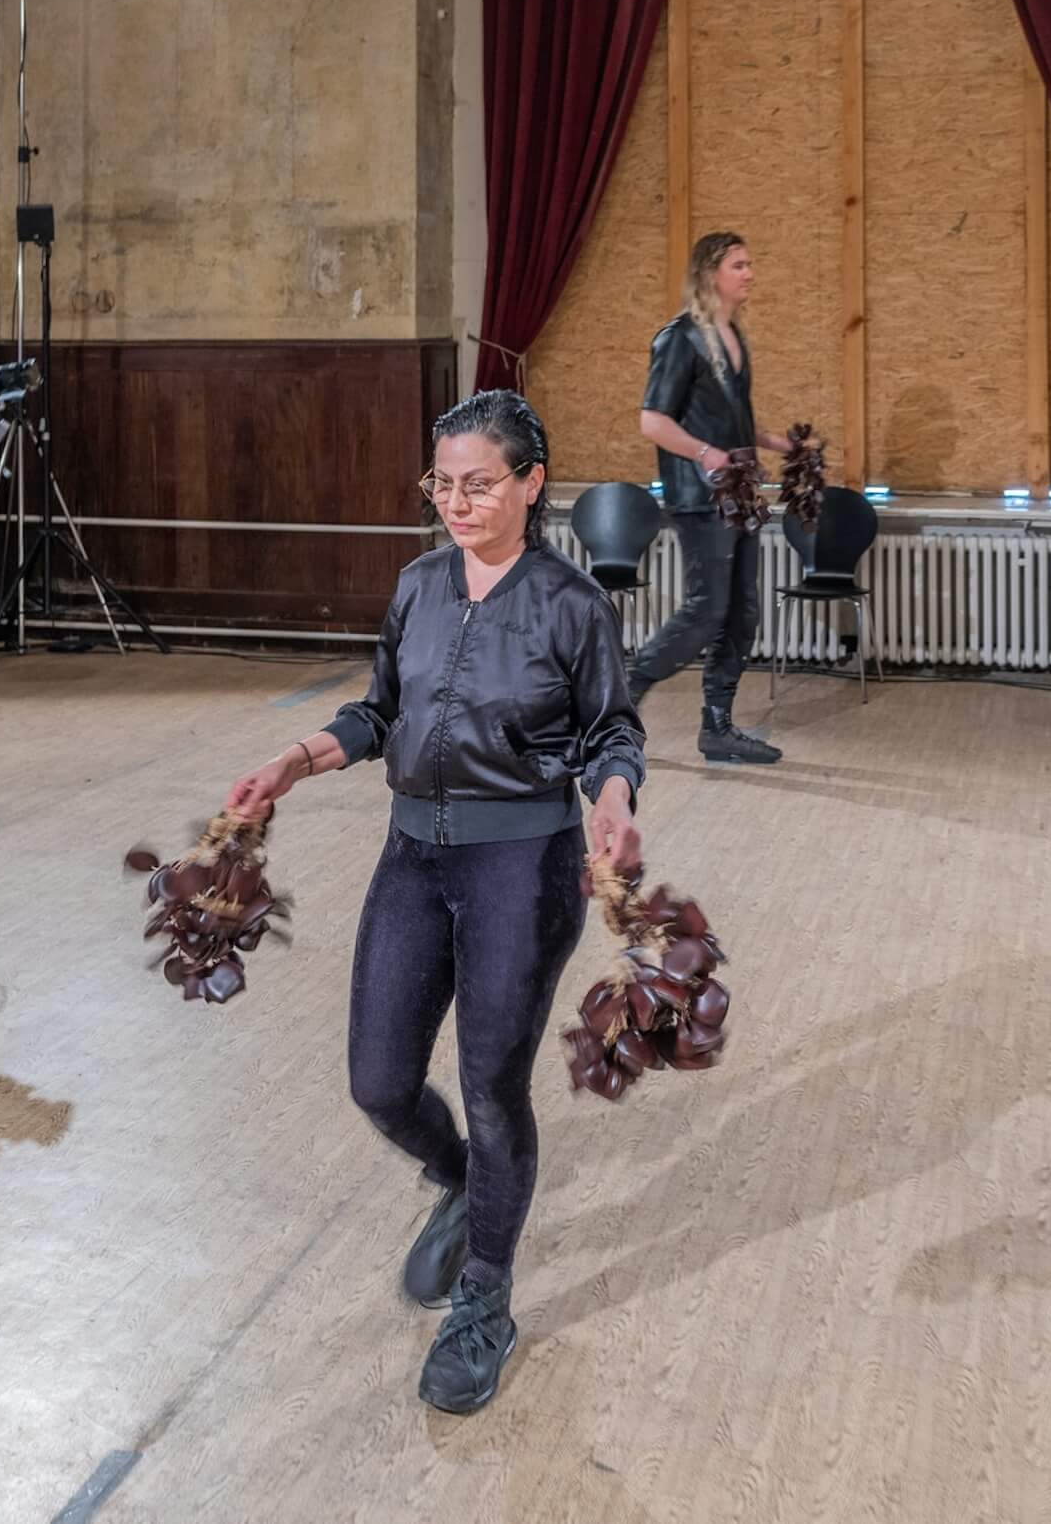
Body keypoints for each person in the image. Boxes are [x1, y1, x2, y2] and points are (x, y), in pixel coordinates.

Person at [224, 389, 645, 1416]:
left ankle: (486, 1298)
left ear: (531, 484)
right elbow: (378, 710)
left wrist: (616, 803)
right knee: (378, 1082)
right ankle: (462, 1182)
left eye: (478, 483)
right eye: (441, 483)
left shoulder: (571, 604)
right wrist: (295, 759)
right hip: (411, 854)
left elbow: (610, 736)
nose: (456, 502)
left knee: (494, 1083)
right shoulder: (417, 585)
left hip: (523, 870)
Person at [628, 231, 799, 764]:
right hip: (700, 497)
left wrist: (772, 442)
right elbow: (652, 421)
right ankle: (623, 693)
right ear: (710, 274)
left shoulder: (732, 335)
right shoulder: (678, 338)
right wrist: (705, 453)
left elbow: (730, 417)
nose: (750, 273)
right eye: (739, 265)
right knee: (707, 610)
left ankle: (718, 727)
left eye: (750, 263)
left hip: (738, 492)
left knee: (742, 612)